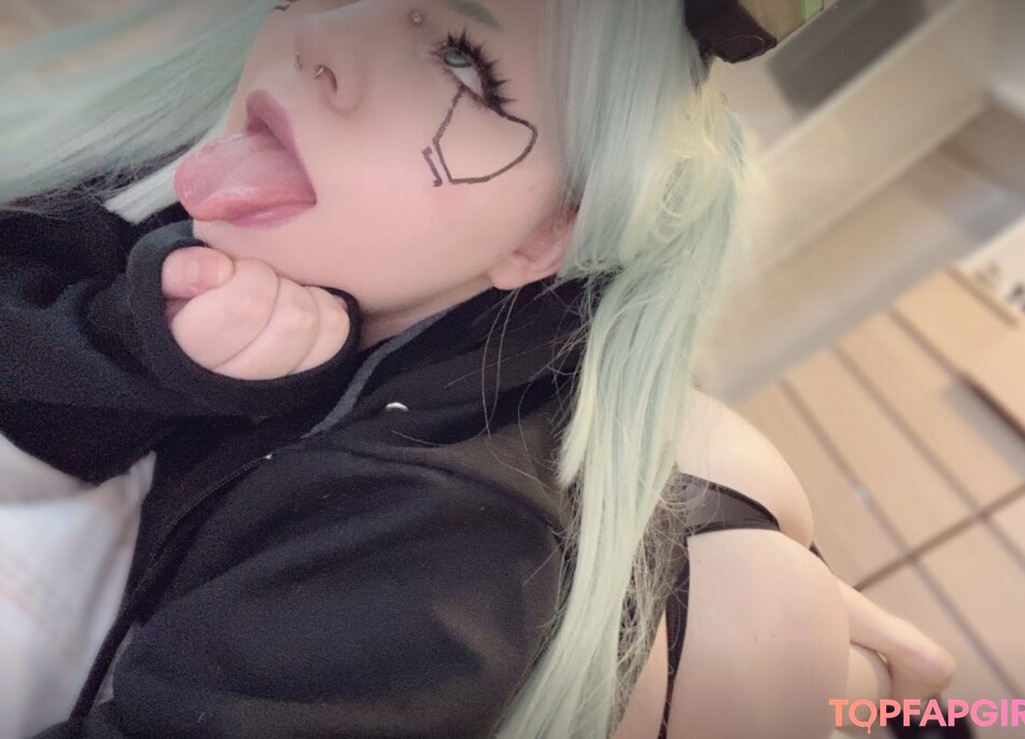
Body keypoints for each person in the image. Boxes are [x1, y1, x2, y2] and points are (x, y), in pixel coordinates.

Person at [0, 1, 952, 736]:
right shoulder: (254, 206)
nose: (323, 37)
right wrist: (139, 343)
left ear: (551, 232)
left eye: (462, 60)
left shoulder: (442, 541)